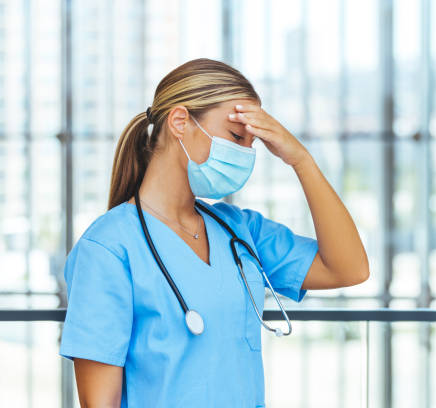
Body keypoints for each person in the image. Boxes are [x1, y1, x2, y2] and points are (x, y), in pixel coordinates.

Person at [58, 57, 369, 407]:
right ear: (180, 122)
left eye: (253, 142)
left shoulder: (239, 229)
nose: (245, 152)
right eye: (236, 136)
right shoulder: (108, 247)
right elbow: (100, 403)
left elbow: (349, 268)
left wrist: (301, 160)